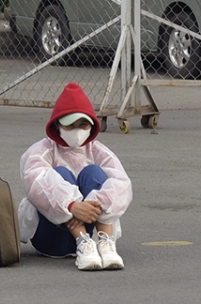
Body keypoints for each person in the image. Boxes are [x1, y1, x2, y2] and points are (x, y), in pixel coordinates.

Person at [18, 82, 132, 271]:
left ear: (91, 125)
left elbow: (122, 184)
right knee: (60, 174)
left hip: (91, 230)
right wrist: (72, 206)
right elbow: (35, 182)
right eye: (70, 126)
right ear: (57, 124)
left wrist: (93, 205)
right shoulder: (42, 150)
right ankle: (82, 243)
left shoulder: (97, 150)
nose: (77, 131)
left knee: (94, 172)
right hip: (52, 238)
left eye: (83, 124)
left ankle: (105, 243)